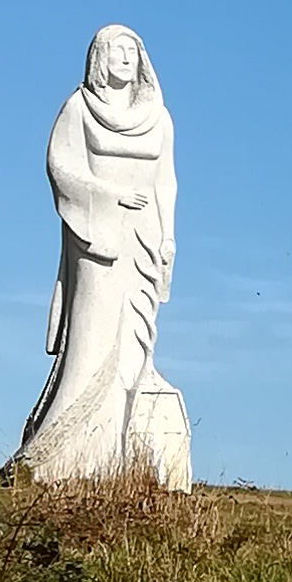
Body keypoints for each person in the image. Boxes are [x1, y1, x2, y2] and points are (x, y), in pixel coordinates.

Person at [17, 25, 182, 484]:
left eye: (133, 50)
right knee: (93, 339)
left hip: (144, 238)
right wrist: (109, 195)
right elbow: (60, 166)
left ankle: (120, 456)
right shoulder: (80, 108)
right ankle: (64, 455)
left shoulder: (159, 118)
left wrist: (168, 235)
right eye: (117, 50)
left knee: (136, 338)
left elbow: (165, 180)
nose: (126, 58)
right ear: (100, 58)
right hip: (99, 238)